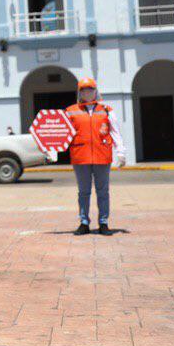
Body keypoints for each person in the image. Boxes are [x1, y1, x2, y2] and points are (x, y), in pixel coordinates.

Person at [64, 77, 125, 235]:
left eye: (90, 89)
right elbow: (61, 133)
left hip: (102, 155)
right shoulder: (70, 111)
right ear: (80, 92)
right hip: (80, 156)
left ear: (95, 91)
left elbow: (115, 131)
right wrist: (51, 149)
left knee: (103, 191)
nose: (87, 92)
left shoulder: (106, 110)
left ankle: (103, 223)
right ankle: (84, 223)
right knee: (83, 191)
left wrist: (121, 151)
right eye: (84, 90)